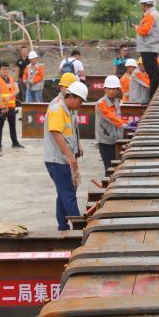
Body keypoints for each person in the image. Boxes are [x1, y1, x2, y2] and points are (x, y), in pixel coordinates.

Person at [44, 81, 88, 231]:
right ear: (72, 97)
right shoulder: (57, 110)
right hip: (58, 161)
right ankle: (79, 229)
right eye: (80, 101)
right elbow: (56, 133)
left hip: (61, 160)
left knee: (63, 193)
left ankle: (62, 227)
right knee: (69, 194)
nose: (80, 105)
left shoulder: (67, 111)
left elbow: (70, 134)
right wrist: (70, 158)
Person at [96, 75, 129, 173]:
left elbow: (118, 118)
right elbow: (111, 118)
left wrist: (128, 123)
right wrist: (125, 126)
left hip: (116, 139)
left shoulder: (116, 102)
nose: (112, 91)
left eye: (114, 89)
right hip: (106, 141)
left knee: (116, 166)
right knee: (109, 167)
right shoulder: (101, 104)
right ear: (105, 89)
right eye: (109, 89)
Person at [134, 0, 159, 96]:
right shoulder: (154, 13)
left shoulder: (150, 15)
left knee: (152, 74)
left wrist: (137, 28)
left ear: (144, 4)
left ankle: (153, 95)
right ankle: (156, 94)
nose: (141, 6)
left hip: (148, 47)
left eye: (141, 4)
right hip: (151, 47)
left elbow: (144, 31)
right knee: (154, 72)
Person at [0, 62, 24, 151]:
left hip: (11, 106)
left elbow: (17, 90)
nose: (5, 71)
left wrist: (10, 96)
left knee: (12, 125)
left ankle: (15, 142)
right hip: (1, 107)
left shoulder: (12, 79)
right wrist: (3, 107)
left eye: (7, 69)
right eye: (3, 69)